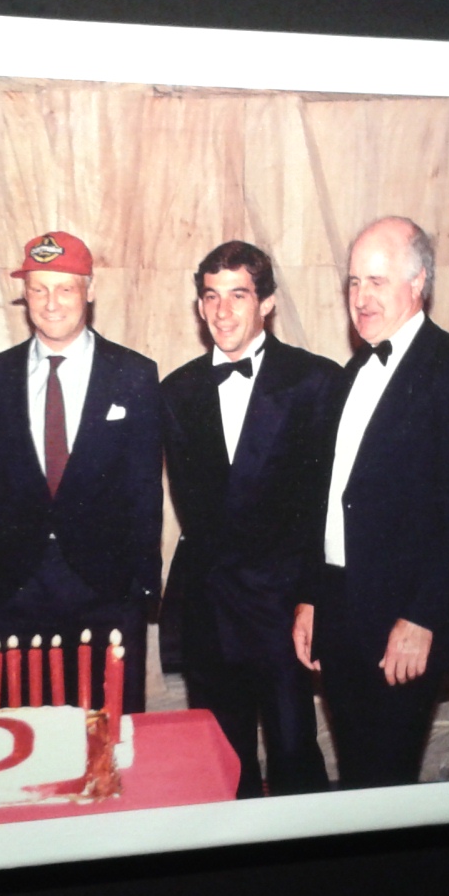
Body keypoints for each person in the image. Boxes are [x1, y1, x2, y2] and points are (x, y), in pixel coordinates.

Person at [292, 216, 449, 788]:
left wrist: (423, 617)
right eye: (354, 282)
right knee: (356, 778)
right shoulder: (350, 373)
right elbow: (327, 500)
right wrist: (310, 598)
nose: (361, 298)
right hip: (339, 613)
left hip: (402, 622)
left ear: (419, 282)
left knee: (388, 785)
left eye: (377, 282)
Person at [0, 232, 161, 712]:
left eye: (65, 288)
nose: (51, 303)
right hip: (14, 592)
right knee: (17, 735)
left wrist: (141, 586)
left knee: (110, 734)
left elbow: (145, 487)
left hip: (106, 590)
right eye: (39, 289)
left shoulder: (134, 374)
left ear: (89, 290)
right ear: (25, 294)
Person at [161, 241, 333, 797]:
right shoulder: (177, 391)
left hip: (282, 610)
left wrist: (312, 598)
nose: (223, 311)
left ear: (267, 303)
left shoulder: (314, 381)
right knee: (219, 767)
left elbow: (325, 506)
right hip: (209, 608)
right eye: (211, 296)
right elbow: (191, 508)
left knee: (294, 757)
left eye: (238, 295)